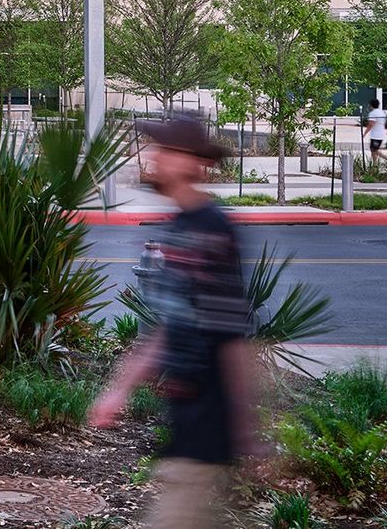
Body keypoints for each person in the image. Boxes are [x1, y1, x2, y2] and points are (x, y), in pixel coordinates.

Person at [90, 114, 260, 529]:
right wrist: (118, 391)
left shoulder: (214, 231)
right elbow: (170, 327)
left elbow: (232, 336)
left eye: (164, 150)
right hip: (184, 417)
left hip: (207, 420)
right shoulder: (178, 227)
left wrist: (244, 428)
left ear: (191, 162)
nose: (153, 158)